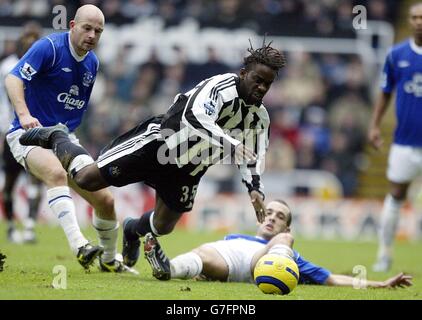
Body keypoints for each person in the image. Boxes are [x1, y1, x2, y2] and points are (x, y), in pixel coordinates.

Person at [19, 39, 286, 278]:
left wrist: (254, 189)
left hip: (189, 169)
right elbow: (194, 117)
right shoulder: (219, 86)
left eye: (267, 84)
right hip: (158, 145)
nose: (261, 87)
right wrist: (231, 143)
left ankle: (133, 230)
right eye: (257, 80)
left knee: (164, 224)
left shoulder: (260, 118)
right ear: (243, 73)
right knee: (87, 180)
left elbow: (253, 155)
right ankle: (56, 136)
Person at [4, 4, 132, 273]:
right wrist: (25, 114)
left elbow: (75, 106)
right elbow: (12, 78)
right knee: (55, 173)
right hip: (28, 134)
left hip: (63, 137)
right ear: (72, 26)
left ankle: (109, 260)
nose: (92, 35)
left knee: (105, 200)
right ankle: (79, 246)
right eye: (87, 28)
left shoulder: (92, 63)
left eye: (98, 31)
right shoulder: (49, 47)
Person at [143, 200, 413, 289]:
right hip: (225, 257)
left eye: (280, 217)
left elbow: (331, 279)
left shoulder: (290, 251)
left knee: (283, 243)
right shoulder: (235, 236)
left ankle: (273, 271)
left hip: (256, 264)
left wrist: (380, 284)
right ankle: (169, 268)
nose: (272, 217)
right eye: (269, 213)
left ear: (287, 225)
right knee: (202, 253)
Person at [368, 3, 422, 272]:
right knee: (396, 195)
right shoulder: (396, 54)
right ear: (410, 21)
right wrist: (375, 125)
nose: (419, 21)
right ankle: (384, 254)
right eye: (414, 17)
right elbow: (385, 92)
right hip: (404, 142)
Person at [0, 22, 43, 244]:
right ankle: (9, 226)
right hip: (10, 131)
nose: (30, 41)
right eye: (27, 37)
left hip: (37, 130)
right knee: (10, 181)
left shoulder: (46, 66)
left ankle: (29, 227)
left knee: (37, 178)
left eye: (35, 38)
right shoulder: (8, 67)